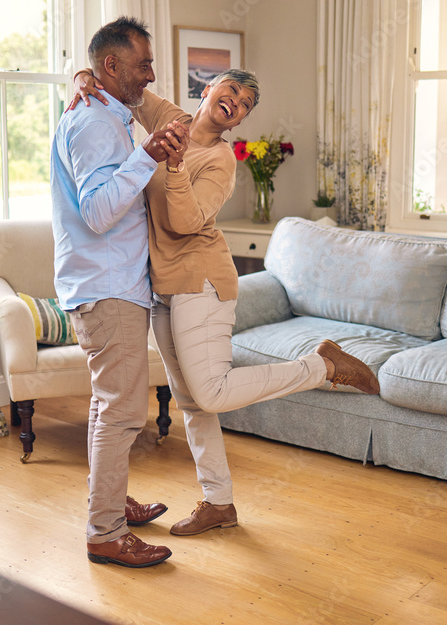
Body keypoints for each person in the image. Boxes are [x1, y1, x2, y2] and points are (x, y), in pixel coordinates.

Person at [69, 68, 380, 536]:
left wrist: (173, 168)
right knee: (192, 403)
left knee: (210, 393)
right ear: (208, 89)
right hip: (161, 287)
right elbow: (129, 92)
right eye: (231, 90)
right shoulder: (169, 118)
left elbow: (185, 222)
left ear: (237, 123)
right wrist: (84, 77)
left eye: (246, 103)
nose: (236, 101)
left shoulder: (221, 160)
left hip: (203, 282)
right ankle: (219, 504)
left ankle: (322, 367)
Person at [50, 17, 189, 568]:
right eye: (143, 65)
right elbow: (100, 211)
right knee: (124, 411)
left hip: (112, 283)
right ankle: (105, 531)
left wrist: (78, 74)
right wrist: (148, 155)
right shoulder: (92, 124)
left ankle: (110, 500)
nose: (151, 75)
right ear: (112, 66)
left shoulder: (106, 110)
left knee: (110, 406)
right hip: (106, 288)